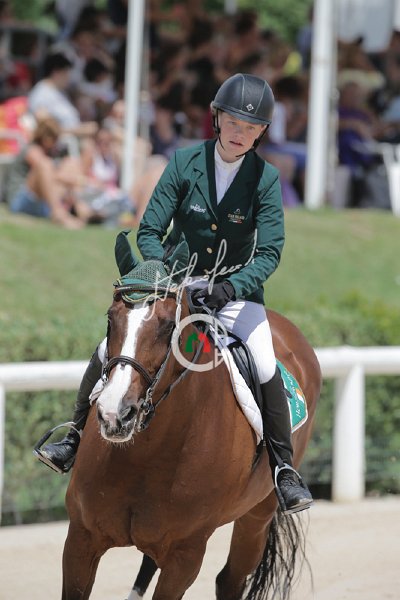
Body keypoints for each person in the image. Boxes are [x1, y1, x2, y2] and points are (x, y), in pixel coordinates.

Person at [34, 74, 313, 516]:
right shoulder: (185, 162)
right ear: (216, 119)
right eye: (233, 122)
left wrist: (231, 287)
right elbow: (149, 230)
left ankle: (282, 469)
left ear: (262, 131)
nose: (240, 133)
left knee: (263, 362)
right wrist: (164, 276)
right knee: (109, 348)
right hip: (175, 285)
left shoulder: (265, 178)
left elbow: (269, 252)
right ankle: (73, 437)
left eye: (250, 127)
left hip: (234, 294)